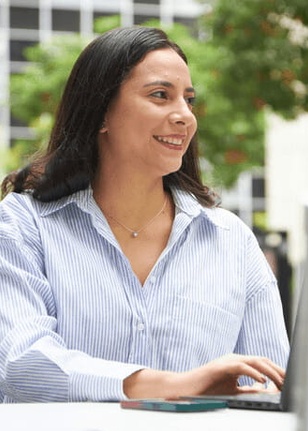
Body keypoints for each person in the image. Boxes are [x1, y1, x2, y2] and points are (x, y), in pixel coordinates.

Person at [0, 26, 289, 403]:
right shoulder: (24, 225)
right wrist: (172, 385)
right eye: (160, 95)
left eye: (188, 100)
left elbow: (272, 385)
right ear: (101, 113)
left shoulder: (230, 239)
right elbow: (23, 364)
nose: (185, 115)